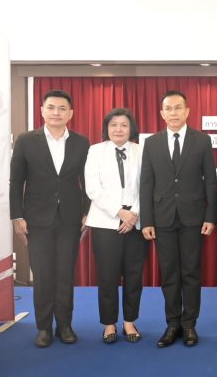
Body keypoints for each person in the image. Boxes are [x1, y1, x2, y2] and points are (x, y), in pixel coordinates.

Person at [9, 89, 90, 347]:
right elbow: (16, 181)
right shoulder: (26, 140)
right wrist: (16, 215)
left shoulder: (81, 142)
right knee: (43, 275)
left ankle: (64, 325)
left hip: (70, 218)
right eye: (51, 107)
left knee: (65, 273)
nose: (56, 112)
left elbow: (87, 180)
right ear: (42, 111)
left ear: (71, 113)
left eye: (62, 108)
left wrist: (87, 211)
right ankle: (43, 327)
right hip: (36, 219)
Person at [140, 90, 217, 348]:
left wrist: (211, 216)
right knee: (169, 272)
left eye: (177, 108)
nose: (173, 113)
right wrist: (147, 220)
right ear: (162, 113)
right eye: (168, 108)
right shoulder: (152, 143)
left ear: (187, 111)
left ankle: (189, 324)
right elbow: (146, 183)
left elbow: (210, 181)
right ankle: (172, 323)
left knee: (191, 272)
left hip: (193, 217)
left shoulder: (202, 140)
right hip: (162, 218)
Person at [84, 108, 148, 344]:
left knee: (134, 275)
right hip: (105, 221)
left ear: (131, 129)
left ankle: (129, 322)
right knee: (107, 275)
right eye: (113, 125)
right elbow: (93, 188)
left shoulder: (142, 151)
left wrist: (133, 215)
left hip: (136, 222)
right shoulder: (95, 151)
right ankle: (109, 323)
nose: (118, 129)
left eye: (124, 125)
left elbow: (147, 185)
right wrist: (119, 212)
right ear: (106, 128)